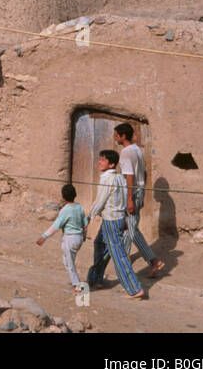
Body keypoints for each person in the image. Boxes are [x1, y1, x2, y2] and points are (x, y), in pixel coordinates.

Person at [85, 150, 145, 298]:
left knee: (118, 255)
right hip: (115, 219)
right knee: (100, 244)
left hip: (111, 220)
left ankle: (134, 288)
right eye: (100, 159)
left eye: (103, 160)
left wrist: (89, 217)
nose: (99, 162)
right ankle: (96, 279)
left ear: (111, 164)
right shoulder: (119, 178)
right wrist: (124, 217)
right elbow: (125, 198)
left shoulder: (107, 179)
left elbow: (100, 201)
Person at [114, 123, 164, 277]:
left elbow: (130, 176)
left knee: (132, 229)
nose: (114, 138)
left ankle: (154, 261)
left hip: (132, 192)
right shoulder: (137, 149)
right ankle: (126, 258)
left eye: (116, 135)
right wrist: (143, 193)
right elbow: (144, 172)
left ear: (123, 136)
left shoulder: (126, 153)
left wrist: (130, 199)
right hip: (138, 191)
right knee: (128, 226)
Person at [36, 184, 87, 290]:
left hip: (70, 238)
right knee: (66, 260)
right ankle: (76, 281)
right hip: (78, 237)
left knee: (69, 262)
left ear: (63, 197)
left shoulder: (65, 210)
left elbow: (56, 226)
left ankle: (76, 285)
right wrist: (84, 236)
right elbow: (85, 223)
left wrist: (44, 237)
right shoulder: (79, 207)